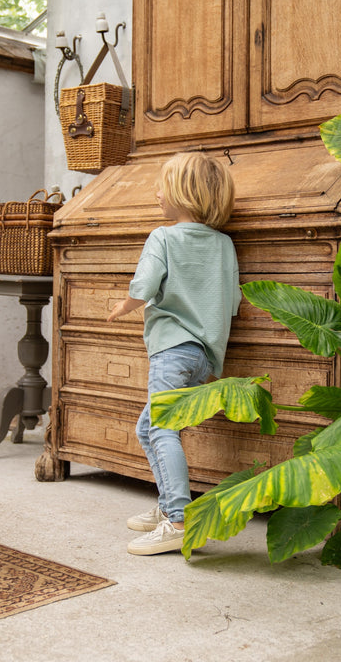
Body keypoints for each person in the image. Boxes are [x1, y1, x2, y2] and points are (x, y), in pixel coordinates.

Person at [107, 151, 241, 555]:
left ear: (182, 192)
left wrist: (124, 307)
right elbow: (232, 301)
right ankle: (169, 506)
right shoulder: (224, 244)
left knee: (162, 429)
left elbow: (144, 284)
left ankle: (179, 519)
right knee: (148, 428)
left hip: (170, 351)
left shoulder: (163, 236)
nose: (157, 194)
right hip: (204, 356)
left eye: (162, 186)